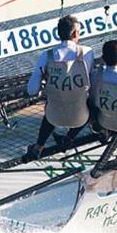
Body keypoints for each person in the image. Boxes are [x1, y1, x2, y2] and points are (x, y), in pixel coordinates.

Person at [24, 15, 93, 160]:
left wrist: (43, 78)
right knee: (89, 101)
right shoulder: (87, 52)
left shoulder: (46, 56)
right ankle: (69, 138)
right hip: (80, 117)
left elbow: (32, 90)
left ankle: (38, 146)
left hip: (53, 117)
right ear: (75, 34)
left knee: (54, 101)